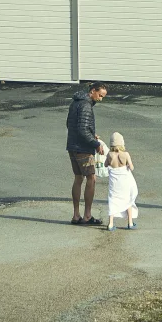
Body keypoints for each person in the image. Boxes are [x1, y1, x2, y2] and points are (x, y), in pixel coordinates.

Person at [66, 82, 108, 225]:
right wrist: (95, 144)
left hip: (72, 146)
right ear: (92, 91)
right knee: (91, 178)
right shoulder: (86, 105)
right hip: (83, 149)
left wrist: (91, 134)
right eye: (100, 95)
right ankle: (87, 216)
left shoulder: (75, 103)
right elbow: (83, 129)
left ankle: (76, 215)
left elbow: (71, 124)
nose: (100, 99)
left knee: (78, 178)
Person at [104, 131, 139, 231]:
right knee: (127, 199)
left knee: (113, 199)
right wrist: (127, 165)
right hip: (125, 181)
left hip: (114, 182)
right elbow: (131, 167)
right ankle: (130, 223)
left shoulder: (109, 154)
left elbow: (106, 165)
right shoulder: (125, 154)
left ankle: (110, 224)